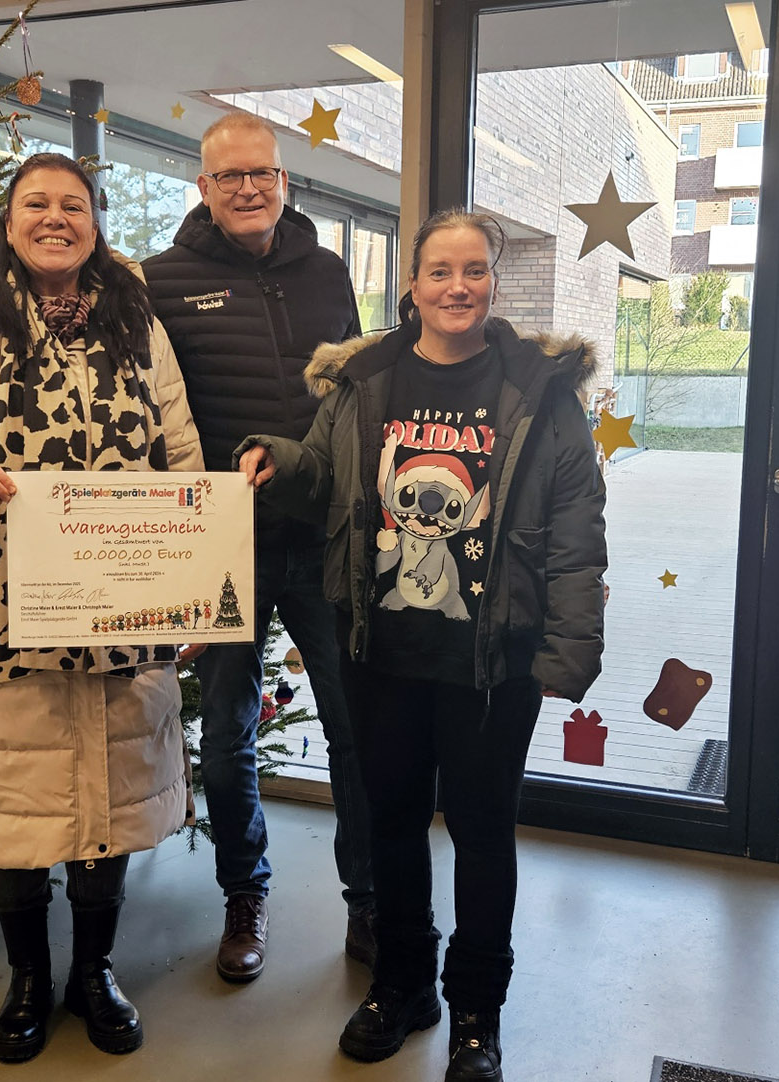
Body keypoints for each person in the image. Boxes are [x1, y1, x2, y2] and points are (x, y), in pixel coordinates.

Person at [235, 210, 608, 1082]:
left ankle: (477, 1011)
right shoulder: (365, 378)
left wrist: (569, 650)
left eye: (474, 270)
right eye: (440, 270)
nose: (457, 287)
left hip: (494, 662)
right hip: (381, 651)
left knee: (483, 835)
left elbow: (576, 532)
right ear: (412, 283)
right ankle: (403, 985)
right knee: (391, 825)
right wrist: (277, 460)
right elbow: (324, 476)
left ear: (493, 282)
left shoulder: (540, 389)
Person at [0, 153, 204, 1064]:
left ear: (95, 223)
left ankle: (94, 972)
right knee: (13, 798)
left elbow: (180, 454)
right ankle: (27, 979)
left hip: (124, 603)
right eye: (36, 204)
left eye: (73, 205)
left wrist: (190, 580)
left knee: (112, 794)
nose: (55, 218)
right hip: (4, 612)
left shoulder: (137, 323)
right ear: (7, 219)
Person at [144, 112, 374, 983]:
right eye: (230, 175)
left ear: (285, 182)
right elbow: (150, 410)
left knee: (354, 727)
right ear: (203, 187)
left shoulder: (326, 270)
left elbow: (351, 396)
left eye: (263, 174)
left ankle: (369, 902)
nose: (248, 188)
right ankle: (244, 895)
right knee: (228, 735)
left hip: (321, 538)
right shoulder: (160, 281)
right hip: (221, 545)